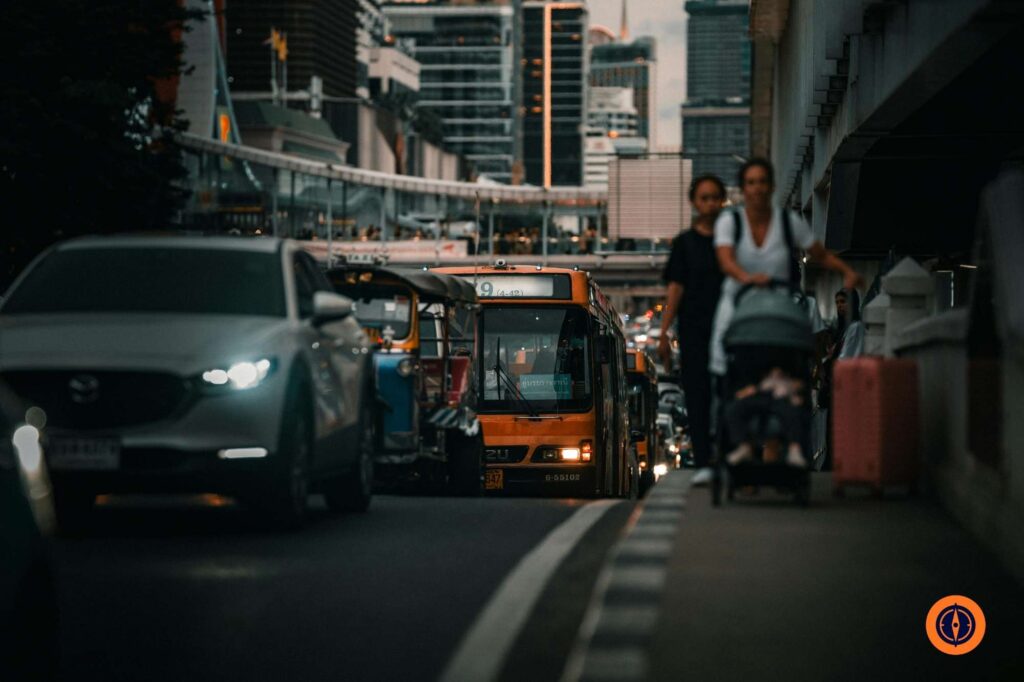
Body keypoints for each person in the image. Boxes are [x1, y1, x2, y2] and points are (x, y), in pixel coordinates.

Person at [710, 158, 864, 379]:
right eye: (751, 182)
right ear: (743, 188)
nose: (757, 188)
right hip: (739, 303)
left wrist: (846, 271)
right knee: (728, 370)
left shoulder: (787, 221)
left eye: (762, 181)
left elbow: (819, 252)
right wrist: (748, 279)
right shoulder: (729, 222)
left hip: (780, 311)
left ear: (771, 186)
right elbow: (726, 261)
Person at [658, 174, 727, 486]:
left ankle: (726, 454)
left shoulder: (732, 240)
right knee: (697, 396)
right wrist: (663, 332)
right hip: (693, 331)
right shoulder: (684, 244)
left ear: (722, 200)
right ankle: (703, 461)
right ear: (694, 202)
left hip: (728, 329)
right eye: (704, 197)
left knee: (727, 393)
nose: (710, 203)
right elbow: (675, 289)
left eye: (715, 197)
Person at [832, 288, 865, 359]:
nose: (839, 305)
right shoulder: (845, 327)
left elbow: (846, 356)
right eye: (837, 302)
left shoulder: (856, 326)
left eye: (843, 301)